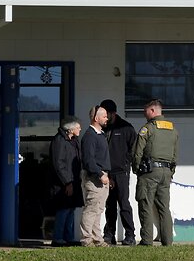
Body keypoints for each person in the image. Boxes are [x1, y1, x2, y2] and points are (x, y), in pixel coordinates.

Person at [132, 98, 179, 246]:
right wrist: (170, 172)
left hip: (149, 172)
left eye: (145, 110)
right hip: (166, 172)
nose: (144, 113)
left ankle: (146, 241)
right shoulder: (173, 129)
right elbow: (175, 155)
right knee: (164, 208)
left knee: (145, 203)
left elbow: (137, 152)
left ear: (152, 110)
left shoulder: (148, 128)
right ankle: (168, 241)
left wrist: (136, 169)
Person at [100, 99, 138, 246]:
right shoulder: (102, 128)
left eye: (105, 114)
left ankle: (130, 234)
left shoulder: (126, 128)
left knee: (123, 204)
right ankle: (109, 235)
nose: (104, 117)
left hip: (121, 172)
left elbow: (134, 149)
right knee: (109, 205)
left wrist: (125, 162)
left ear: (113, 113)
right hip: (106, 173)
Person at [48, 116, 84, 247]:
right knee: (63, 210)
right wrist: (67, 182)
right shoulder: (59, 141)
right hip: (63, 183)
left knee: (70, 210)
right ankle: (58, 238)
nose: (80, 128)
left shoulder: (73, 141)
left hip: (73, 180)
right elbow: (58, 164)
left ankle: (68, 238)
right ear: (70, 129)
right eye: (77, 126)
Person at [79, 105, 112, 247]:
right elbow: (88, 160)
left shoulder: (100, 135)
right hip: (95, 178)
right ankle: (86, 240)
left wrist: (106, 175)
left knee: (98, 210)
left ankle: (97, 239)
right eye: (104, 116)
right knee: (91, 209)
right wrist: (100, 175)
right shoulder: (89, 136)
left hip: (102, 176)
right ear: (96, 118)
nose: (107, 118)